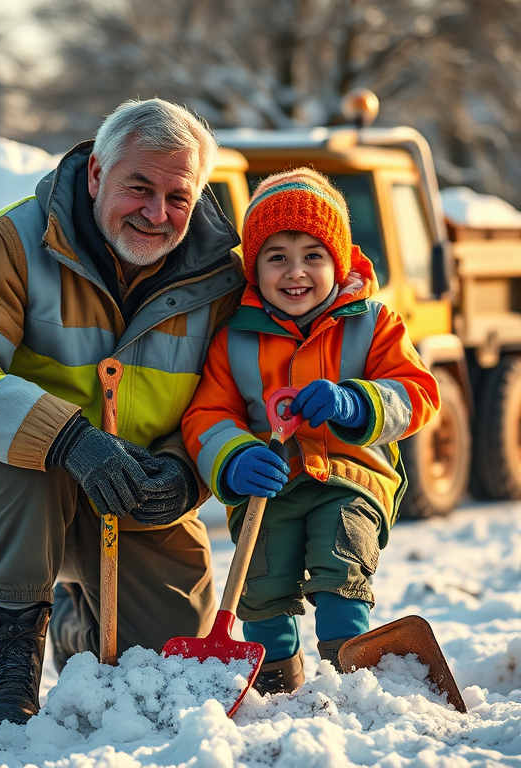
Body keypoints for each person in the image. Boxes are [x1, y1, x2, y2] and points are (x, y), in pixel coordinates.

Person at [0, 99, 245, 725]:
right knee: (25, 463)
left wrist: (184, 474)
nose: (157, 213)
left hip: (133, 482)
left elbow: (225, 402)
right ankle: (9, 668)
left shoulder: (223, 281)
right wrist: (69, 440)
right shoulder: (5, 244)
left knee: (162, 661)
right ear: (95, 174)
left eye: (177, 197)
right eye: (138, 187)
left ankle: (73, 627)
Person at [181, 168, 441, 694]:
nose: (295, 272)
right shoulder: (233, 337)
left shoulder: (372, 323)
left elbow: (418, 393)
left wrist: (357, 401)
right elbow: (207, 414)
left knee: (339, 570)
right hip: (267, 486)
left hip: (351, 477)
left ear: (338, 261)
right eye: (277, 257)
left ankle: (353, 677)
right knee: (260, 587)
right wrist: (234, 456)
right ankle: (277, 682)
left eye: (313, 256)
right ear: (254, 267)